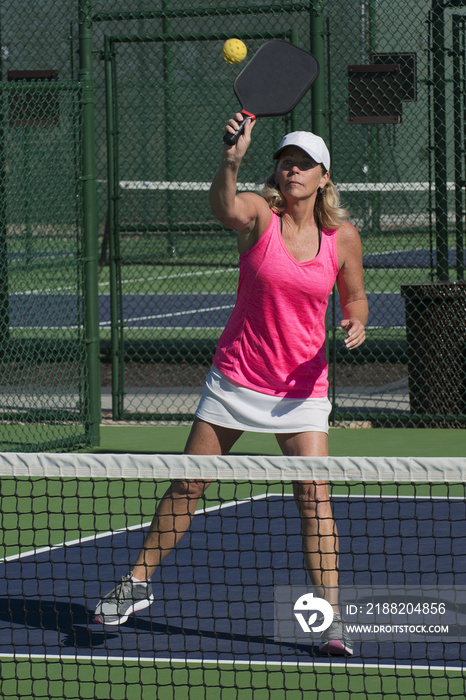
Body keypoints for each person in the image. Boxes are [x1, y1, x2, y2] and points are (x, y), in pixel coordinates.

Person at [95, 115, 368, 656]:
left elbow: (354, 295)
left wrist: (356, 319)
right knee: (189, 485)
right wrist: (231, 159)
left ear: (323, 178)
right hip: (238, 376)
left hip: (302, 389)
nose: (290, 170)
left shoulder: (342, 239)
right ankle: (136, 583)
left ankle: (331, 618)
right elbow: (225, 208)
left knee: (314, 498)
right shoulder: (260, 217)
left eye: (303, 164)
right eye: (285, 161)